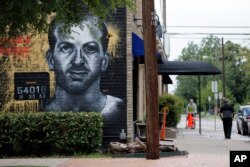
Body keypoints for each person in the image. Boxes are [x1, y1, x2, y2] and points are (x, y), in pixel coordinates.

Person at [43, 13, 123, 114]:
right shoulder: (38, 116)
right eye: (66, 48)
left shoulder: (120, 110)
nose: (78, 61)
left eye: (90, 48)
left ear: (104, 61)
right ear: (51, 60)